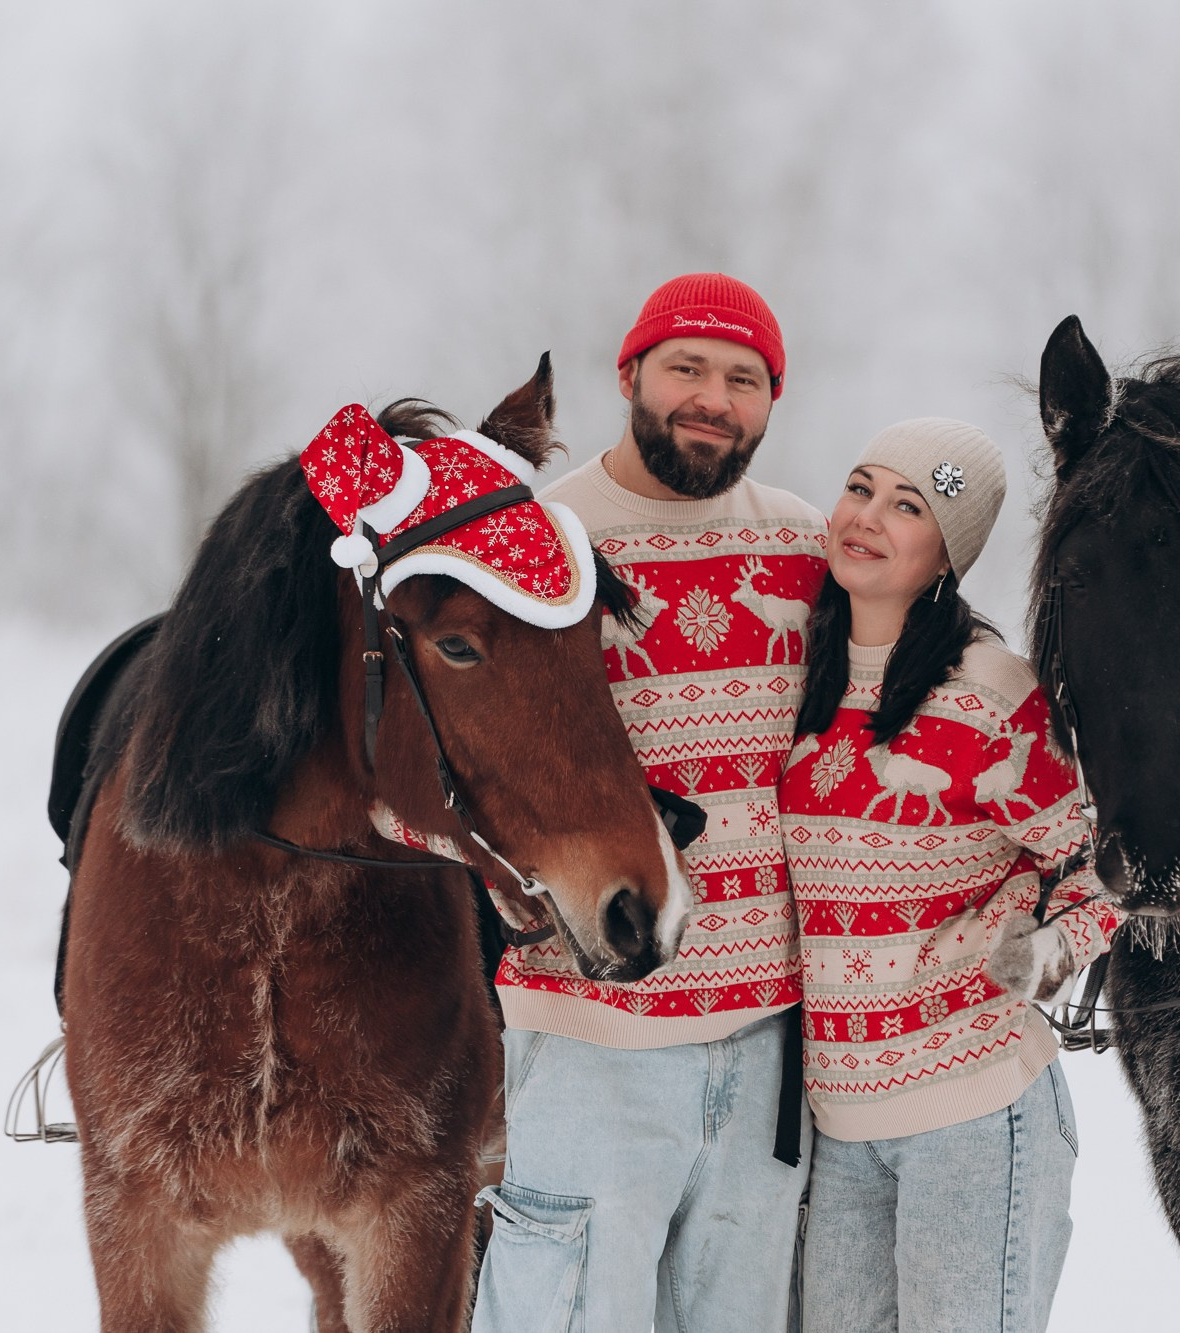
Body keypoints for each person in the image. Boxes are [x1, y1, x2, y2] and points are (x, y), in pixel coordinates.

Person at [471, 274, 828, 1332]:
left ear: (771, 400)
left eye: (742, 377)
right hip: (591, 1040)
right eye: (685, 367)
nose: (711, 397)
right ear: (627, 374)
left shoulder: (807, 549)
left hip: (768, 1042)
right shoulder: (538, 541)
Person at [781, 419, 1124, 1333]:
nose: (868, 518)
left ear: (948, 553)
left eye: (909, 506)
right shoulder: (803, 681)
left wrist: (1026, 955)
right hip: (839, 1120)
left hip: (972, 1113)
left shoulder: (991, 691)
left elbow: (1102, 867)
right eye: (860, 488)